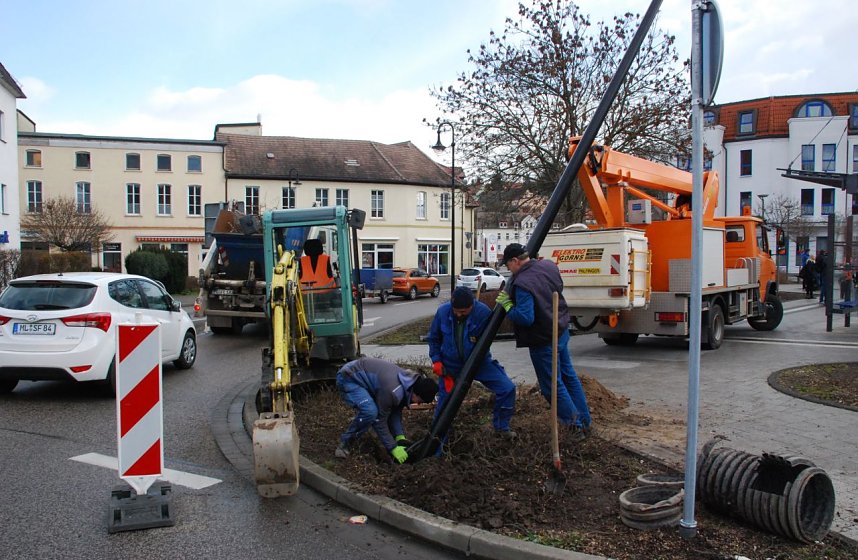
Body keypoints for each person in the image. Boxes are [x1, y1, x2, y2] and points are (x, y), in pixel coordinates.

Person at [495, 243, 592, 437]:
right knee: (568, 377)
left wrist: (507, 305)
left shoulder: (523, 283)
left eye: (508, 266)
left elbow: (525, 317)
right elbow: (557, 288)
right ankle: (585, 421)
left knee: (552, 385)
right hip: (560, 329)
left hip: (543, 339)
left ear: (515, 261)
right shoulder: (548, 266)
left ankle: (575, 427)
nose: (509, 271)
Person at [427, 286, 516, 441]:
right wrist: (436, 360)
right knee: (445, 405)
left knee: (507, 388)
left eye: (463, 312)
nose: (458, 314)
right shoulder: (443, 312)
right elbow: (434, 338)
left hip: (480, 364)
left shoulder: (483, 313)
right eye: (456, 311)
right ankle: (438, 443)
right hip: (450, 367)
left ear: (472, 306)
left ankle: (502, 428)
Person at [335, 357, 438, 463]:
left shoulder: (409, 384)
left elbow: (396, 410)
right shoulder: (393, 390)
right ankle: (345, 443)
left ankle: (365, 427)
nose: (419, 404)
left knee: (374, 412)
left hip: (364, 376)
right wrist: (392, 447)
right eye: (420, 401)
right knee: (370, 413)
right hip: (349, 377)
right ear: (416, 393)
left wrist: (399, 437)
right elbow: (379, 421)